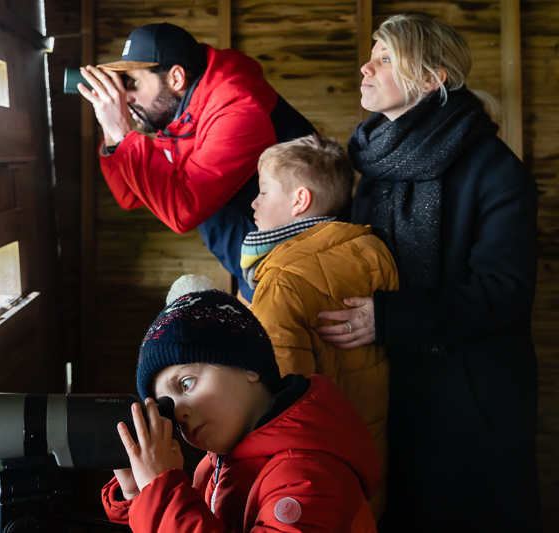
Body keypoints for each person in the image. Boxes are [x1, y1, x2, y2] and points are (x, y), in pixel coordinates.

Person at [316, 14, 540, 531]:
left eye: (386, 58)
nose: (365, 67)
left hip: (471, 395)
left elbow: (502, 291)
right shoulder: (373, 163)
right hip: (390, 382)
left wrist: (389, 319)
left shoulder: (496, 172)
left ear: (432, 78)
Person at [101, 277, 381, 532]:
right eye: (168, 406)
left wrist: (160, 492)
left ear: (248, 365)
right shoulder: (212, 468)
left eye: (186, 384)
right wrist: (139, 495)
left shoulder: (306, 474)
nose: (179, 414)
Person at [78, 23, 316, 301]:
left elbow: (184, 211)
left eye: (133, 83)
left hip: (298, 269)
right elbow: (130, 195)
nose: (126, 97)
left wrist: (122, 131)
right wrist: (111, 130)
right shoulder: (181, 117)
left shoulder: (238, 106)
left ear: (176, 77)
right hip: (258, 268)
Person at [240, 134, 399, 520]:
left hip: (306, 480)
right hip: (371, 453)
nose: (254, 202)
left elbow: (276, 394)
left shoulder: (281, 281)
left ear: (299, 201)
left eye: (263, 191)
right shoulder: (372, 250)